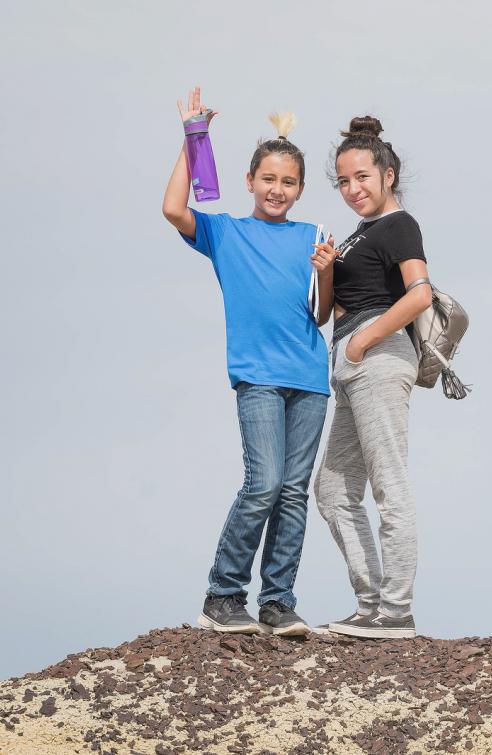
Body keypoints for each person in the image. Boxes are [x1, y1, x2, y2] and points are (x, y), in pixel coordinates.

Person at [161, 87, 338, 636]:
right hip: (258, 378)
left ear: (300, 189)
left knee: (291, 492)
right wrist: (193, 140)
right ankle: (223, 595)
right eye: (269, 179)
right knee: (263, 484)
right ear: (249, 180)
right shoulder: (226, 232)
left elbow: (323, 314)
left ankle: (278, 602)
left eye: (288, 182)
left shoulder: (313, 236)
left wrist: (327, 269)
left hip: (310, 378)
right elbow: (173, 208)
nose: (277, 189)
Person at [313, 116, 432, 639]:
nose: (352, 188)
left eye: (362, 176)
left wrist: (362, 342)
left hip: (378, 359)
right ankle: (370, 604)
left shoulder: (399, 225)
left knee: (389, 487)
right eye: (343, 181)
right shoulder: (361, 234)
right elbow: (323, 312)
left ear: (388, 174)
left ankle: (397, 611)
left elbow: (420, 293)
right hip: (351, 365)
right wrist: (325, 271)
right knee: (333, 491)